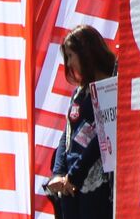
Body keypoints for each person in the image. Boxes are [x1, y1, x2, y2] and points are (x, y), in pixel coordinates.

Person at [47, 25, 116, 218]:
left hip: (96, 184)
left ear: (86, 52)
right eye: (66, 57)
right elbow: (66, 135)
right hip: (69, 185)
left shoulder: (111, 87)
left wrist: (75, 174)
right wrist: (58, 172)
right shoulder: (79, 92)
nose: (68, 63)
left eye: (71, 55)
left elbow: (102, 139)